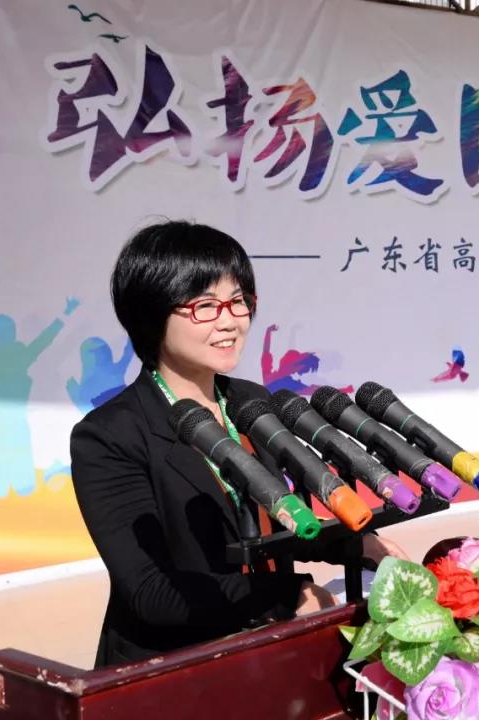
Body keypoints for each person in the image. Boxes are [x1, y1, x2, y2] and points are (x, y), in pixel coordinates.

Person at [70, 220, 405, 667]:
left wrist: (358, 545)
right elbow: (150, 591)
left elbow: (277, 523)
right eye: (205, 306)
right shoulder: (108, 436)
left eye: (238, 301)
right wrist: (282, 595)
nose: (230, 321)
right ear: (151, 314)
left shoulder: (250, 402)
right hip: (173, 667)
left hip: (271, 648)